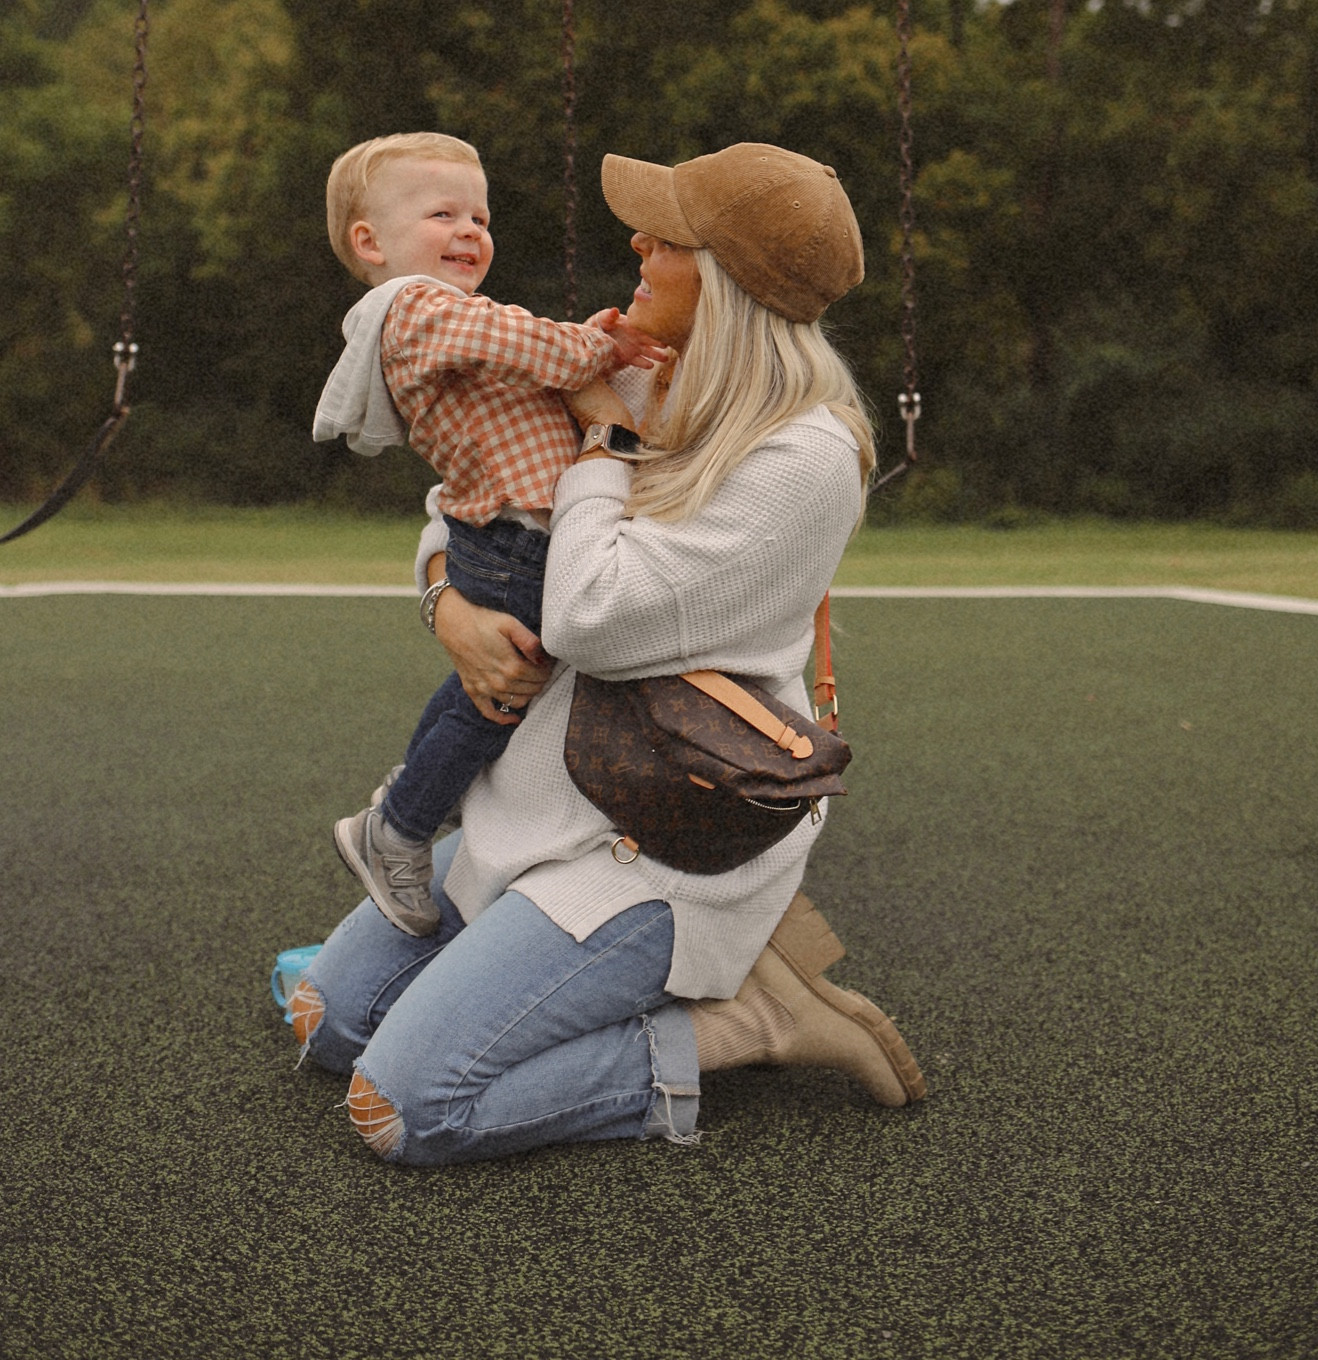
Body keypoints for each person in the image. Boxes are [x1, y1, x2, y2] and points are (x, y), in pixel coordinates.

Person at [289, 142, 926, 1165]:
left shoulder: (803, 456)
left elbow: (591, 613)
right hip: (532, 809)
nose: (635, 241)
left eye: (665, 236)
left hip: (645, 841)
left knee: (402, 1107)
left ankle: (744, 1023)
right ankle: (553, 978)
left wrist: (600, 443)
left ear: (725, 276)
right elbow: (467, 508)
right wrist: (446, 600)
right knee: (327, 1021)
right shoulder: (644, 379)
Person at [312, 131, 668, 936]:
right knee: (499, 696)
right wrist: (595, 344)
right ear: (371, 242)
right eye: (444, 213)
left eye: (480, 214)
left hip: (510, 535)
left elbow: (521, 357)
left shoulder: (446, 318)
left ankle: (403, 813)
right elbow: (520, 342)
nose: (472, 230)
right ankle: (403, 825)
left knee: (484, 692)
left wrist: (590, 346)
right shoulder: (412, 308)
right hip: (517, 542)